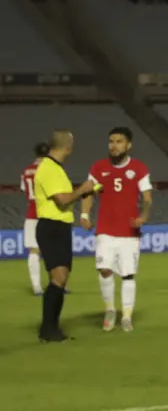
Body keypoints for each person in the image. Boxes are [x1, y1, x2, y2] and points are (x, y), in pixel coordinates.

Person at [79, 126, 152, 333]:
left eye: (119, 141)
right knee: (104, 270)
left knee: (128, 275)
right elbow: (88, 192)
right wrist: (85, 214)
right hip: (105, 230)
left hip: (129, 232)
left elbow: (147, 198)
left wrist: (143, 217)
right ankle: (110, 310)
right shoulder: (98, 168)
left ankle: (126, 316)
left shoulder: (139, 169)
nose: (114, 145)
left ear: (128, 145)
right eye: (111, 141)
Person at [34, 130, 98, 342]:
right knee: (58, 278)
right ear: (68, 147)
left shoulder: (56, 168)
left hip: (59, 227)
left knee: (61, 279)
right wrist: (83, 189)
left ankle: (52, 329)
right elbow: (62, 200)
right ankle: (48, 329)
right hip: (51, 226)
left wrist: (89, 191)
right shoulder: (49, 169)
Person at [21, 142, 50, 296]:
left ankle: (36, 286)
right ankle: (57, 284)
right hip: (49, 214)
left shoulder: (26, 171)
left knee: (34, 250)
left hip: (32, 214)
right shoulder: (49, 170)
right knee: (53, 250)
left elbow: (24, 189)